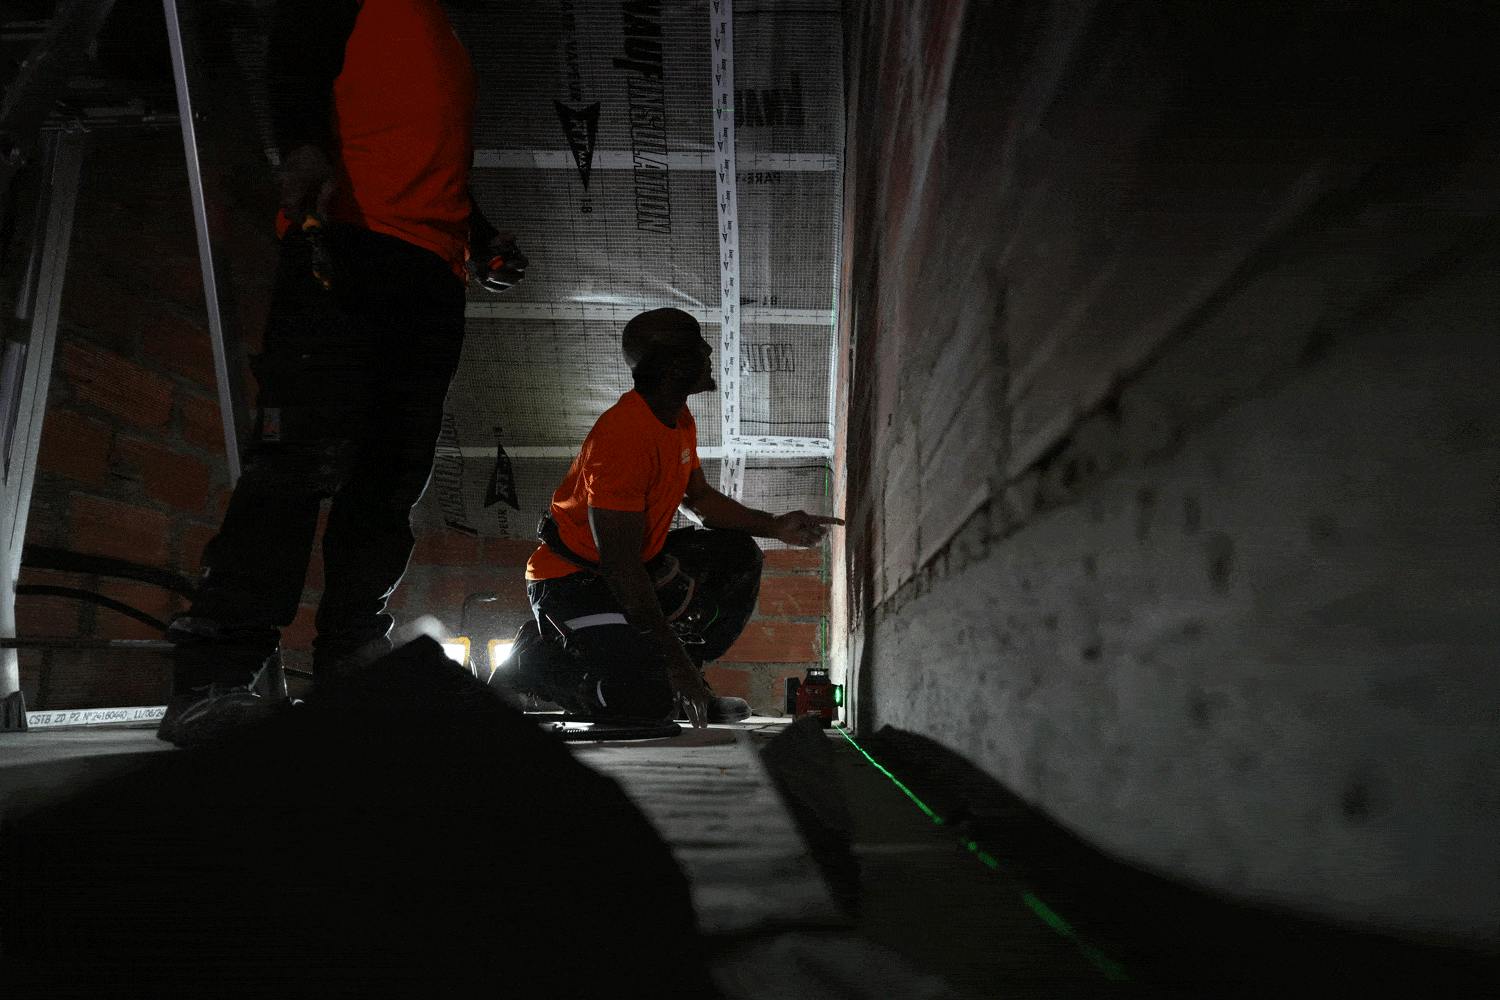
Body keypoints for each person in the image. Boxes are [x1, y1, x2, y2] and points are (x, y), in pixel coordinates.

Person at [159, 0, 521, 745]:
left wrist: (480, 238)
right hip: (351, 246)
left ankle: (353, 665)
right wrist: (299, 146)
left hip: (430, 273)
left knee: (389, 481)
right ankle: (213, 681)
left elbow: (428, 152)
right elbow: (295, 49)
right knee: (300, 463)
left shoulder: (446, 34)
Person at [497, 308, 841, 728]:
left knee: (736, 556)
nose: (709, 350)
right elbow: (620, 566)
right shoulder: (623, 438)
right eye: (699, 343)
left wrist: (775, 526)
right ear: (674, 362)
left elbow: (698, 501)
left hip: (629, 567)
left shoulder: (678, 419)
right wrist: (672, 664)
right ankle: (536, 663)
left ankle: (682, 675)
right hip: (574, 580)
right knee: (648, 703)